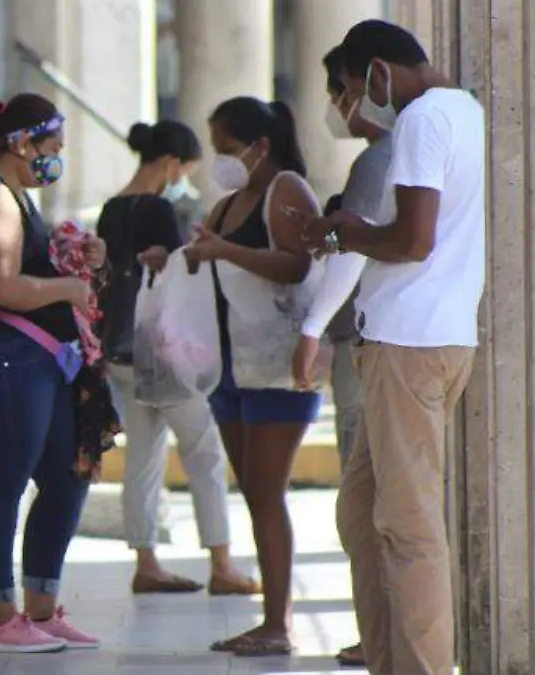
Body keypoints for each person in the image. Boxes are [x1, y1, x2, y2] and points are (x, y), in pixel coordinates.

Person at [302, 20, 484, 675]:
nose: (358, 104)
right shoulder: (463, 109)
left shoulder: (419, 122)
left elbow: (412, 241)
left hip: (410, 342)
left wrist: (349, 234)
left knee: (408, 526)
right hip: (422, 336)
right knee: (360, 514)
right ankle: (388, 658)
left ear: (379, 70)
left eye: (355, 88)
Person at [0, 93, 102, 654]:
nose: (56, 159)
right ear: (21, 144)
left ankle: (40, 606)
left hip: (28, 358)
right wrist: (70, 289)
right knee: (2, 483)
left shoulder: (16, 196)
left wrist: (80, 258)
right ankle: (0, 617)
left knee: (67, 470)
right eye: (51, 148)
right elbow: (2, 287)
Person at [98, 120, 258, 597]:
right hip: (160, 351)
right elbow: (178, 277)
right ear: (170, 164)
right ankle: (223, 563)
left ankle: (146, 561)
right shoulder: (158, 208)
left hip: (119, 351)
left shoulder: (110, 209)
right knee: (205, 452)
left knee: (142, 460)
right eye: (185, 168)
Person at [187, 96, 322, 657]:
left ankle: (277, 622)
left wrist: (223, 252)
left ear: (259, 146)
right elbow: (214, 261)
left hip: (276, 365)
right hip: (230, 367)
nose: (219, 160)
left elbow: (299, 263)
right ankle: (271, 618)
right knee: (255, 493)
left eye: (225, 149)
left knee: (267, 494)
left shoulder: (285, 189)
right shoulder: (228, 203)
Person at [291, 43, 398, 670]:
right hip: (377, 342)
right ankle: (382, 637)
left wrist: (310, 326)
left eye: (339, 93)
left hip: (372, 344)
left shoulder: (380, 159)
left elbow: (348, 244)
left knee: (376, 508)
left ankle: (388, 638)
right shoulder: (394, 155)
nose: (338, 109)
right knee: (373, 505)